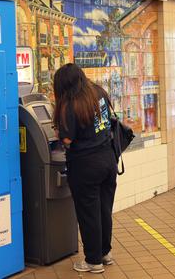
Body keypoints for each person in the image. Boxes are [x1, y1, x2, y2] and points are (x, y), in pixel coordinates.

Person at [53, 63, 117, 274]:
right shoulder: (98, 92)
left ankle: (93, 261)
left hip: (85, 165)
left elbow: (68, 139)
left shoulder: (70, 104)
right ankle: (105, 253)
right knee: (104, 209)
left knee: (89, 213)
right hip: (108, 159)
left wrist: (58, 134)